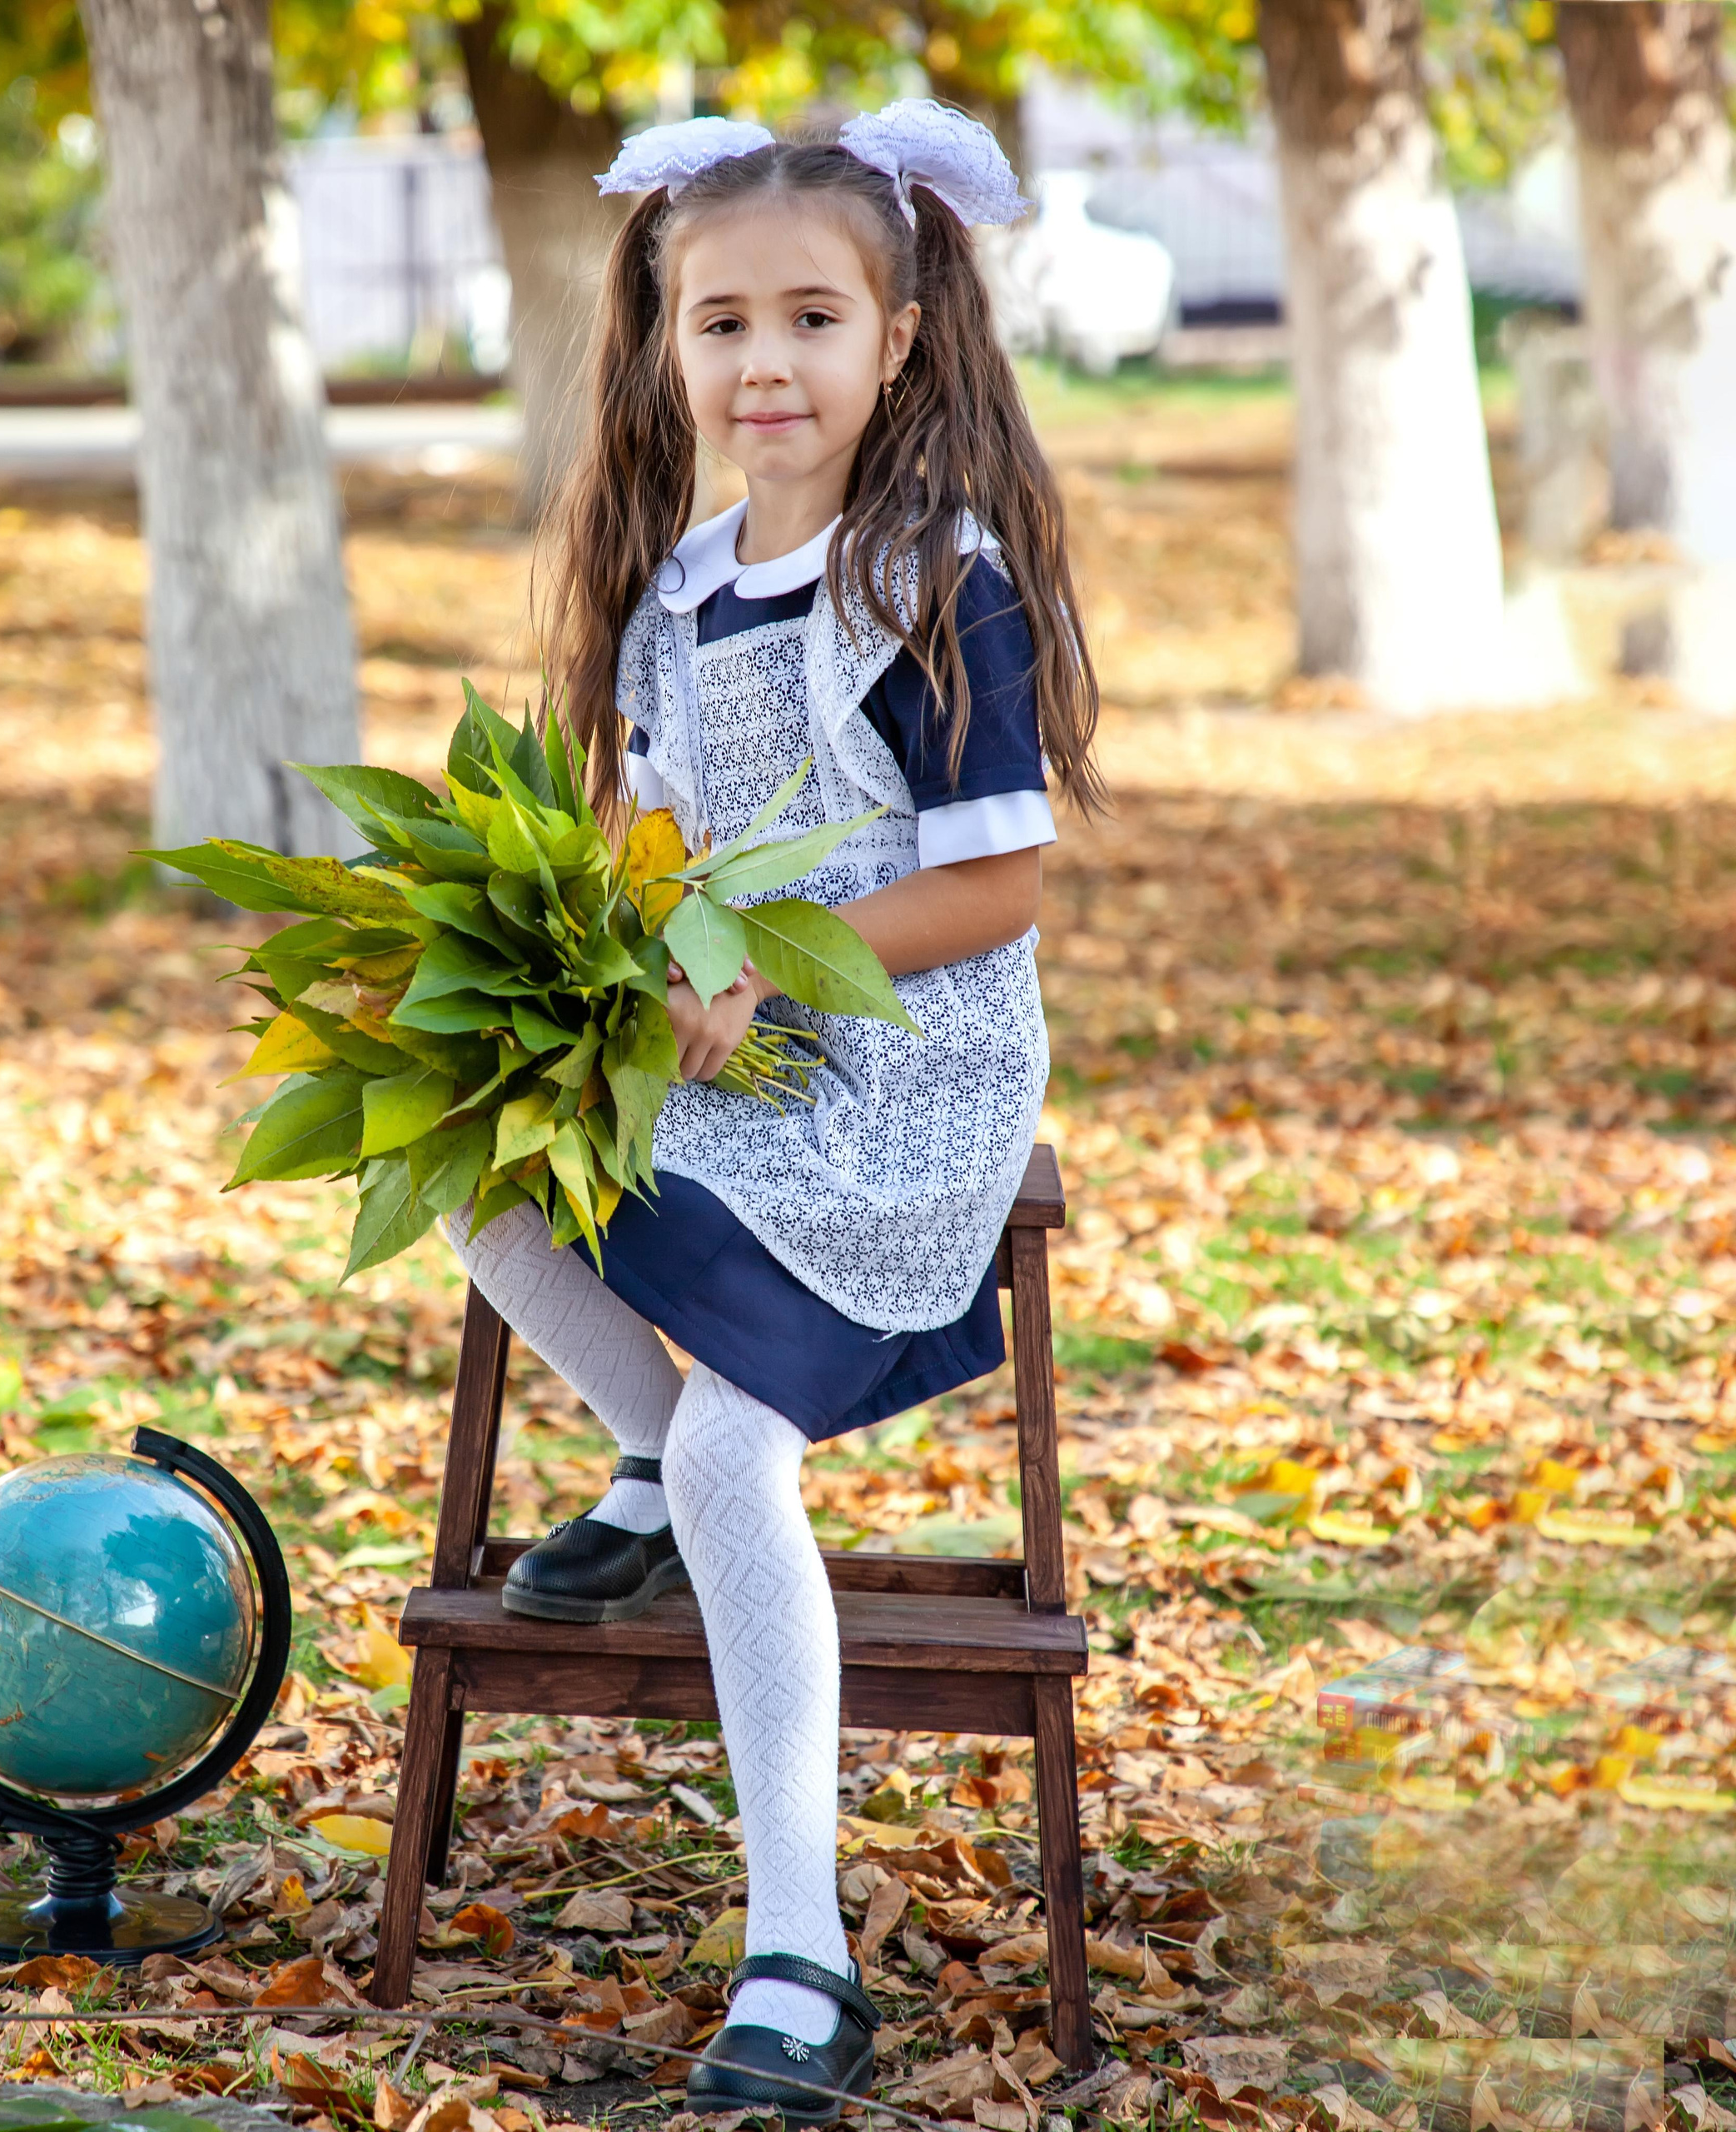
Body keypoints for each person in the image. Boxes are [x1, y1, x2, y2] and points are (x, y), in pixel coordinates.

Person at [444, 102, 1103, 2122]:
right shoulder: (671, 584)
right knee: (470, 1173)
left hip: (896, 1069)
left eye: (811, 317)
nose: (762, 364)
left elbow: (994, 882)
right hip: (730, 1041)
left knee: (752, 1447)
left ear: (897, 337)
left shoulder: (932, 577)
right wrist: (614, 937)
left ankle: (795, 1947)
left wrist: (759, 962)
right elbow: (665, 825)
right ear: (663, 340)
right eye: (717, 320)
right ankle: (643, 1461)